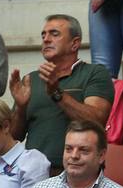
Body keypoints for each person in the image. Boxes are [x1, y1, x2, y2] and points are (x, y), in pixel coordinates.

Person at [9, 15, 114, 172]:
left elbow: (96, 121)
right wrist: (21, 108)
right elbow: (13, 137)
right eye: (43, 35)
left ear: (75, 43)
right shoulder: (31, 80)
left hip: (78, 170)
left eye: (54, 34)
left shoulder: (94, 73)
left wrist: (56, 93)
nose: (46, 39)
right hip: (33, 173)